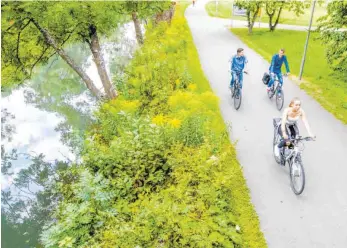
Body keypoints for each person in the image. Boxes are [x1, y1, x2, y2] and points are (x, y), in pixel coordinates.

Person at [274, 97, 315, 164]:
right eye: (296, 105)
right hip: (283, 126)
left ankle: (290, 150)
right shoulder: (287, 110)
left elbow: (305, 122)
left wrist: (310, 133)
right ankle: (278, 147)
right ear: (292, 104)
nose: (298, 106)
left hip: (292, 126)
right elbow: (283, 121)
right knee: (287, 140)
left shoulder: (301, 111)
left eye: (299, 105)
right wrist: (284, 133)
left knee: (295, 140)